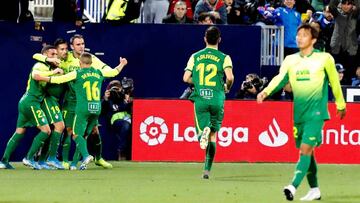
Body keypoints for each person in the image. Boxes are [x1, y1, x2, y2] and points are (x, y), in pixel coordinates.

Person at [257, 23, 346, 201]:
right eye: (298, 35)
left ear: (313, 40)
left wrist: (340, 104)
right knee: (308, 152)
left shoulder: (325, 58)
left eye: (304, 35)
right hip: (299, 114)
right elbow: (280, 78)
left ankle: (293, 186)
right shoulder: (290, 60)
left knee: (304, 150)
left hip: (317, 113)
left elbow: (334, 82)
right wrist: (266, 91)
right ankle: (315, 190)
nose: (299, 38)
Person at [33, 52, 128, 170]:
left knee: (76, 134)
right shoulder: (99, 72)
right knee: (85, 135)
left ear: (79, 63)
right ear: (92, 63)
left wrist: (41, 77)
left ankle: (86, 155)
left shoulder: (77, 73)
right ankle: (75, 163)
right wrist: (122, 64)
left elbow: (59, 80)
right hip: (96, 108)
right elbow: (114, 72)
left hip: (83, 109)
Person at [183, 26, 234, 179]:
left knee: (202, 133)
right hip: (217, 99)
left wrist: (198, 82)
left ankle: (202, 133)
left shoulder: (195, 56)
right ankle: (206, 170)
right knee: (213, 136)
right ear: (219, 39)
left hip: (201, 99)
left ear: (205, 39)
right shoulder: (225, 57)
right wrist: (227, 87)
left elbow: (186, 78)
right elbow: (230, 78)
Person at [0, 45, 63, 170]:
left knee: (19, 132)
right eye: (52, 54)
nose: (55, 57)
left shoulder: (48, 66)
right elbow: (35, 75)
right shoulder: (41, 65)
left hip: (25, 102)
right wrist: (53, 73)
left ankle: (3, 161)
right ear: (45, 56)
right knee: (46, 131)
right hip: (31, 102)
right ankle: (28, 158)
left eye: (56, 54)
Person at [101, 78, 133, 160]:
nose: (115, 91)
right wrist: (105, 99)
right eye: (113, 89)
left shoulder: (125, 96)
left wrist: (127, 100)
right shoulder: (108, 99)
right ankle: (121, 150)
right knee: (125, 125)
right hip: (115, 120)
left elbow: (134, 108)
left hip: (129, 118)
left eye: (117, 89)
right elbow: (100, 111)